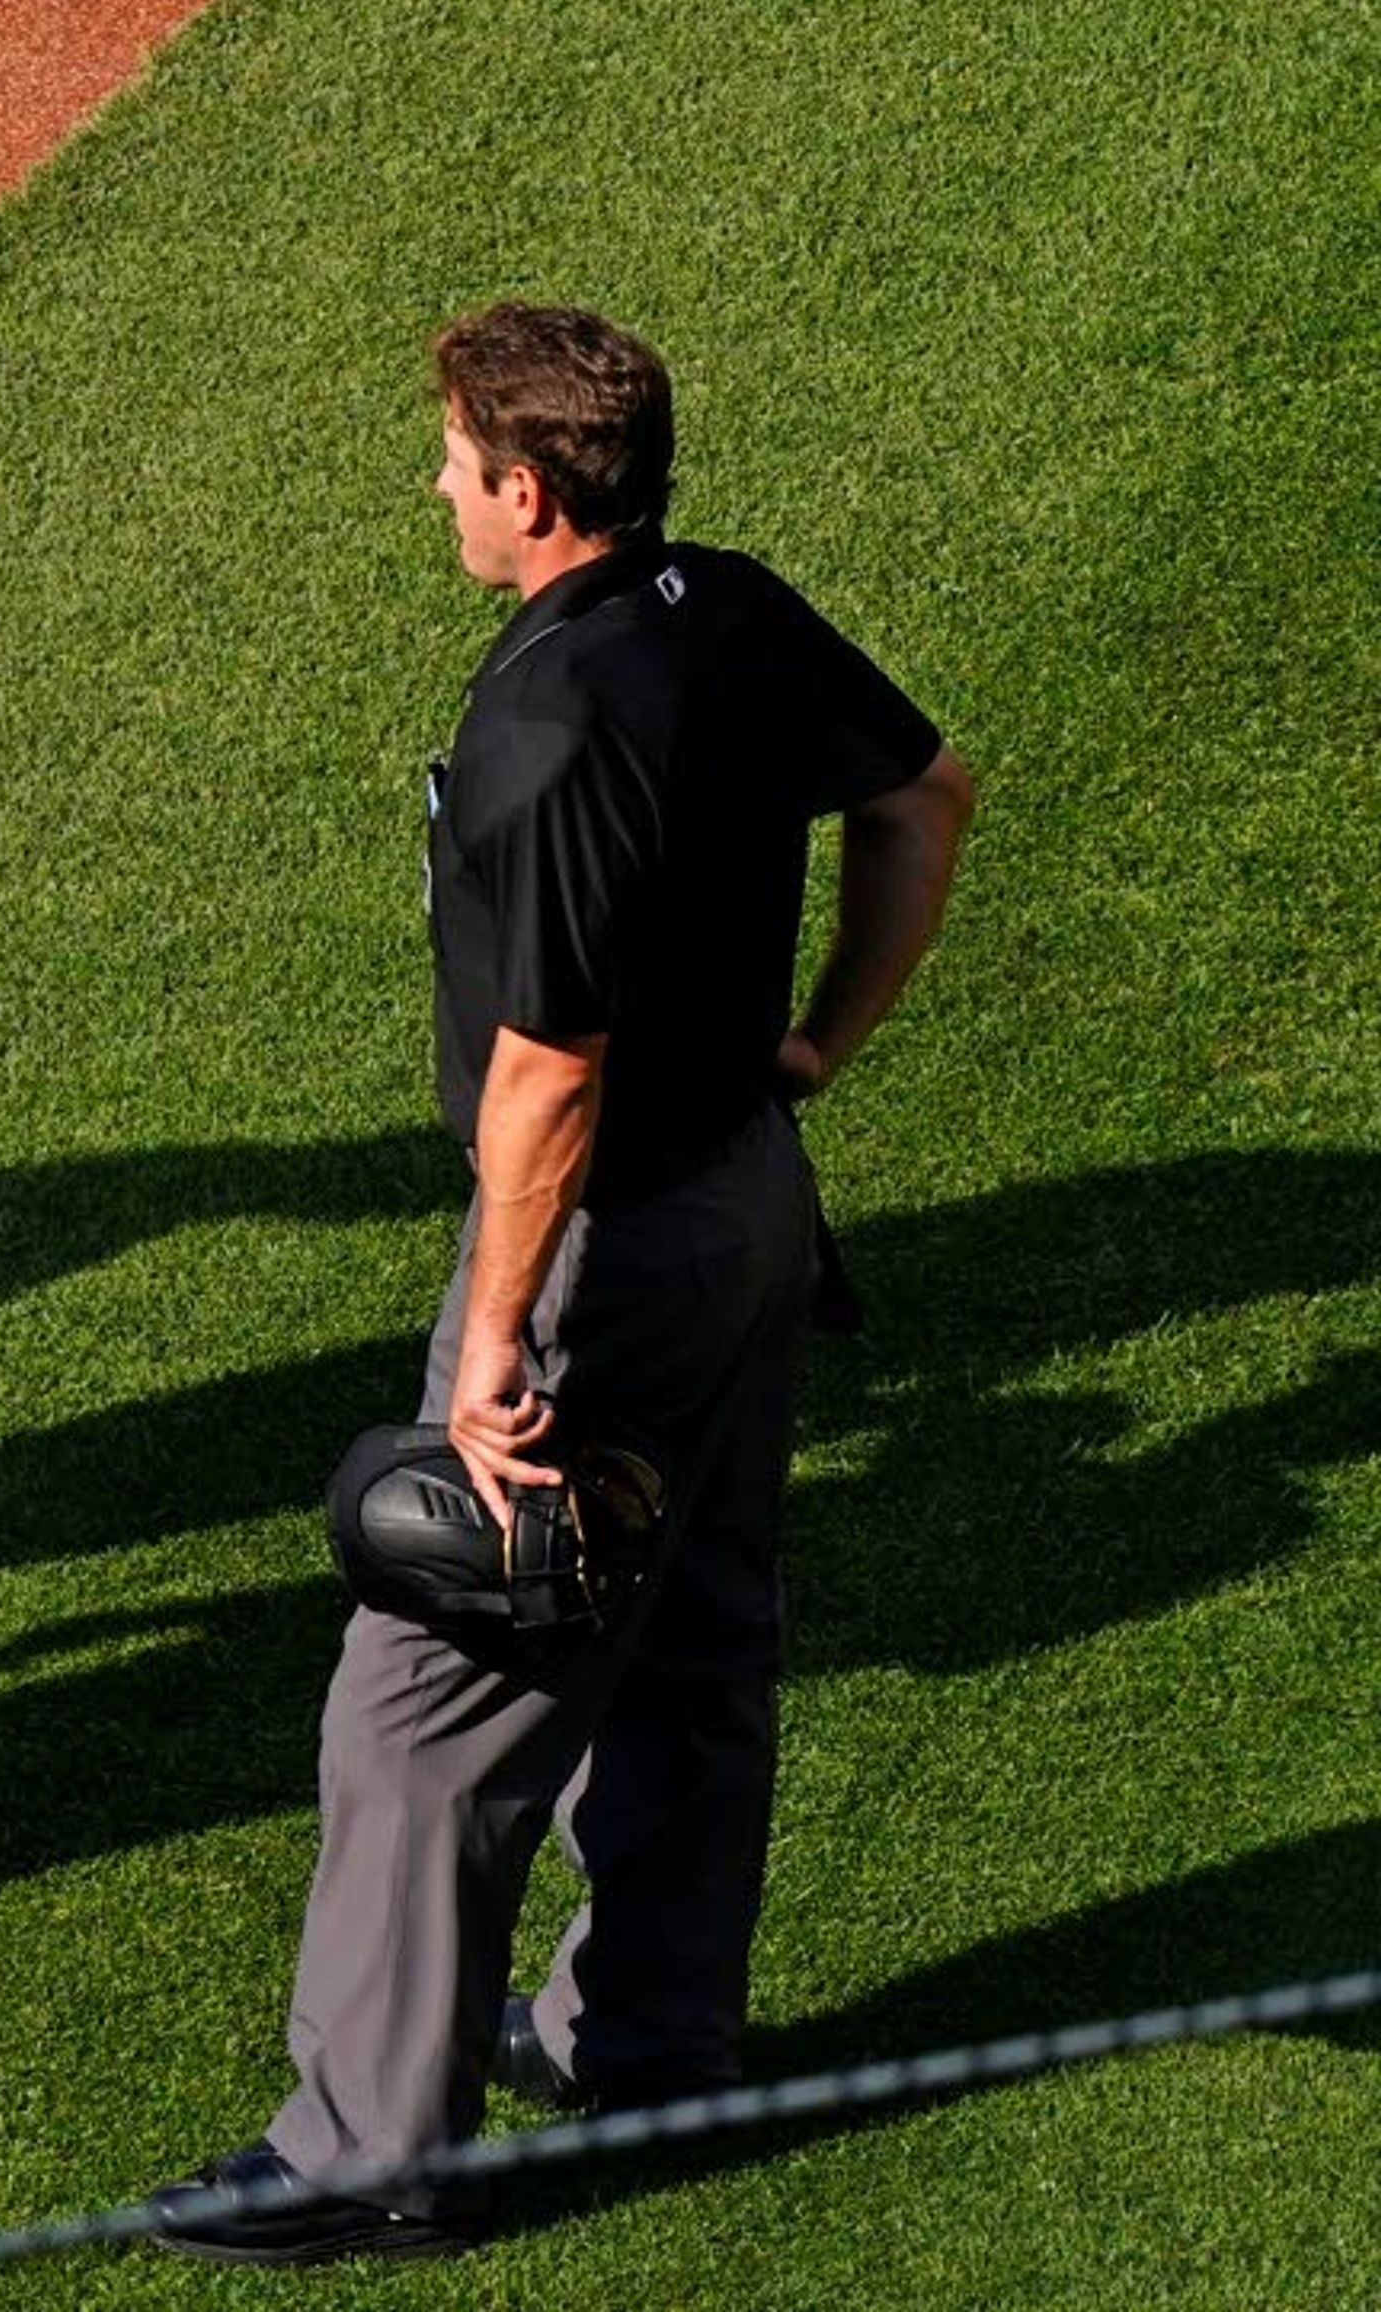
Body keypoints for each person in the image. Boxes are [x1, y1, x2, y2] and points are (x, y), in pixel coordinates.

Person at [154, 305, 973, 2260]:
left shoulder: (545, 723)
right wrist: (815, 1055)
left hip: (608, 1251)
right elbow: (926, 796)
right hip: (756, 1202)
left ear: (528, 492)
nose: (435, 480)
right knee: (695, 1631)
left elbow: (547, 1072)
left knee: (424, 1702)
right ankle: (656, 2042)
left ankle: (367, 2149)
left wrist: (495, 1347)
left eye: (452, 458)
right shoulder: (732, 603)